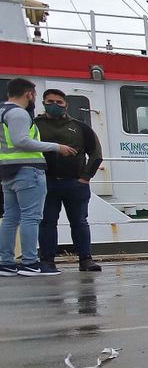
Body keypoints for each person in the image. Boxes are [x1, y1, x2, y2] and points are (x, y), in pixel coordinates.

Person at [1, 78, 77, 277]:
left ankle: (6, 262)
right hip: (28, 170)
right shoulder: (19, 113)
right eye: (34, 95)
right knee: (31, 217)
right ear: (29, 94)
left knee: (10, 218)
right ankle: (29, 262)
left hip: (8, 171)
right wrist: (56, 147)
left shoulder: (2, 112)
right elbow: (21, 141)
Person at [36, 88, 103, 271]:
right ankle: (47, 261)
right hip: (46, 182)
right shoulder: (35, 126)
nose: (54, 105)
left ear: (66, 104)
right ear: (43, 103)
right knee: (47, 222)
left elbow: (96, 153)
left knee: (79, 222)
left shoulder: (81, 127)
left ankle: (86, 260)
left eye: (59, 102)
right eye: (50, 102)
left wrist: (86, 177)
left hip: (75, 183)